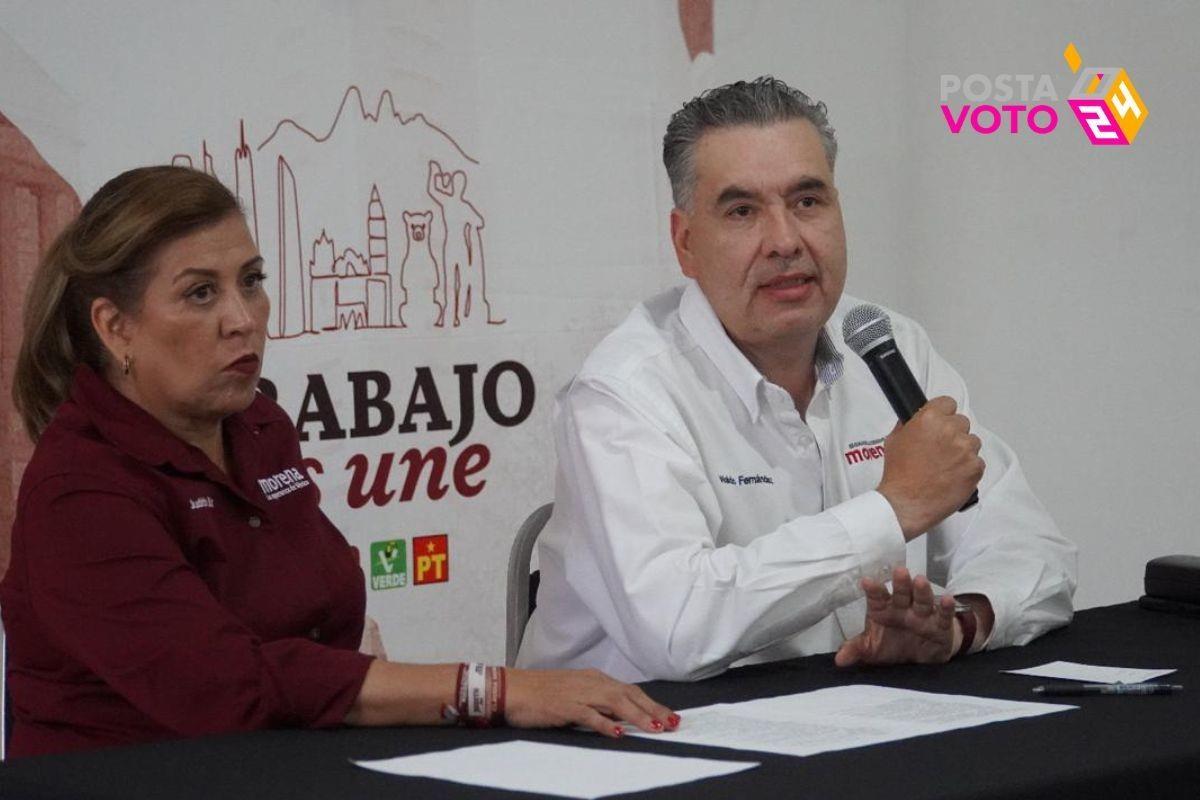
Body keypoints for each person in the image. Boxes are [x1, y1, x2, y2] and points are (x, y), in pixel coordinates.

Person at [0, 166, 676, 758]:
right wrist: (493, 688)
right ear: (115, 327)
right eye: (200, 293)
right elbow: (230, 687)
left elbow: (324, 620)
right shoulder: (79, 490)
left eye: (252, 281)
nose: (243, 318)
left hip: (290, 764)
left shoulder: (257, 424)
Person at [517, 77, 1078, 683]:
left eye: (808, 202)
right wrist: (893, 509)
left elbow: (1032, 550)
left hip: (847, 718)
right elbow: (677, 629)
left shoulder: (892, 347)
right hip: (639, 744)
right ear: (686, 244)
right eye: (742, 211)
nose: (785, 241)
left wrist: (959, 625)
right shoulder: (625, 391)